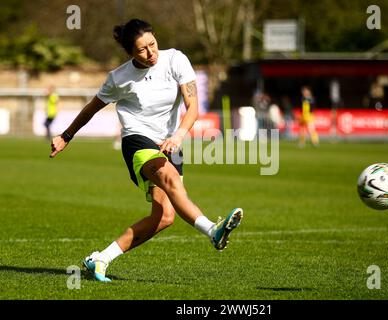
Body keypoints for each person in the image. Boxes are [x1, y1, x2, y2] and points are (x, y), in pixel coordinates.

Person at [49, 19, 243, 282]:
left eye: (152, 44)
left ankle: (100, 259)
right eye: (142, 49)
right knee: (170, 178)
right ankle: (213, 231)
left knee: (163, 217)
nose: (151, 52)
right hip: (138, 140)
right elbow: (91, 108)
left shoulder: (176, 60)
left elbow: (193, 106)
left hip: (171, 141)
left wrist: (178, 135)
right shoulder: (118, 78)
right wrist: (66, 136)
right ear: (130, 53)